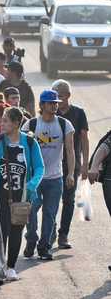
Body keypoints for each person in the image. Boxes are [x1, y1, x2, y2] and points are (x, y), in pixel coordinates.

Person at [0, 107, 44, 281]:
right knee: (1, 231)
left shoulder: (29, 142)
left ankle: (11, 267)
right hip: (0, 194)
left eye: (5, 120)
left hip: (22, 196)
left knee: (16, 230)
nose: (1, 123)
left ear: (15, 123)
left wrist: (31, 185)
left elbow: (39, 167)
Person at [22, 90, 75, 261]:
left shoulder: (64, 124)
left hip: (55, 177)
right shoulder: (30, 125)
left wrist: (71, 174)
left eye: (56, 103)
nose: (54, 106)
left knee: (50, 214)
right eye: (50, 103)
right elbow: (23, 152)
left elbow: (70, 150)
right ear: (42, 105)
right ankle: (31, 240)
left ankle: (44, 247)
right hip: (35, 179)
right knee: (31, 211)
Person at [52, 79, 89, 249]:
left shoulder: (78, 113)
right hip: (52, 164)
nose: (57, 102)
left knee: (68, 200)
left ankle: (63, 235)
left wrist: (85, 164)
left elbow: (83, 138)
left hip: (71, 164)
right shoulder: (51, 114)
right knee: (49, 200)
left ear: (68, 96)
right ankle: (50, 230)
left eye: (60, 97)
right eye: (54, 98)